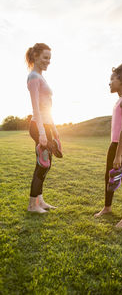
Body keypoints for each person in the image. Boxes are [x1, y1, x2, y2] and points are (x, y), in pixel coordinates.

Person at [94, 63, 122, 228]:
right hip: (115, 144)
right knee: (108, 176)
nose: (110, 82)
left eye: (112, 79)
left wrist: (118, 155)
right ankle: (107, 207)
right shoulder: (119, 100)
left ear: (121, 80)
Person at [25, 43, 59, 213]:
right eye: (45, 58)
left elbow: (48, 107)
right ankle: (32, 205)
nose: (48, 61)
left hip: (46, 126)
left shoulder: (41, 76)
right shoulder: (33, 77)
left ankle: (40, 201)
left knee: (47, 164)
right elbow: (36, 108)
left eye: (49, 58)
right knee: (42, 165)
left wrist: (54, 129)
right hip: (38, 126)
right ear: (36, 56)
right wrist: (43, 134)